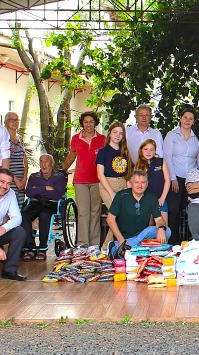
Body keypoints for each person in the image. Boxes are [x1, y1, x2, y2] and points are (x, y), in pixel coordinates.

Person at [63, 111, 105, 246]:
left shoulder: (102, 139)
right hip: (80, 180)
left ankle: (94, 245)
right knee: (83, 213)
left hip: (98, 180)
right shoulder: (76, 138)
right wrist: (61, 170)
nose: (88, 124)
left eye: (91, 122)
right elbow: (71, 156)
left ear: (95, 123)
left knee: (95, 212)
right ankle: (82, 244)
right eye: (86, 122)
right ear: (82, 123)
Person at [106, 169, 171, 258]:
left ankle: (127, 248)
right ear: (131, 183)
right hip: (125, 238)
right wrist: (122, 241)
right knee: (145, 234)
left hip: (143, 237)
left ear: (147, 183)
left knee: (167, 231)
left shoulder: (151, 197)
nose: (140, 185)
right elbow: (110, 219)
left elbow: (159, 219)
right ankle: (120, 246)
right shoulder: (121, 196)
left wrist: (161, 228)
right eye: (136, 182)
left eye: (143, 182)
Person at [164, 108, 199, 244]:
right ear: (180, 118)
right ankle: (173, 242)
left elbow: (198, 160)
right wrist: (173, 177)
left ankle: (191, 241)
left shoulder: (196, 139)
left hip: (191, 180)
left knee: (190, 210)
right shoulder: (172, 135)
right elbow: (167, 156)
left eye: (190, 118)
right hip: (175, 178)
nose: (187, 120)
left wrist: (198, 179)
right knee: (173, 211)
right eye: (185, 117)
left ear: (193, 122)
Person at [21, 154, 68, 261]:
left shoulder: (59, 176)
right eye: (41, 161)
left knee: (44, 215)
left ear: (52, 163)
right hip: (35, 203)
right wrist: (46, 188)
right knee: (24, 215)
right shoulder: (33, 176)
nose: (43, 164)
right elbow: (28, 192)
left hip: (51, 203)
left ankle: (42, 248)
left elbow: (57, 194)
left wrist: (37, 189)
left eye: (46, 161)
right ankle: (30, 248)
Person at [134, 139, 170, 229]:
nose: (148, 152)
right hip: (145, 200)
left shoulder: (161, 161)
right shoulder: (138, 165)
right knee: (148, 227)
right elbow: (135, 185)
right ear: (141, 150)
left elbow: (167, 180)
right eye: (146, 149)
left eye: (151, 149)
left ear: (155, 151)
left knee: (163, 226)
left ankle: (164, 243)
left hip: (160, 199)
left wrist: (162, 197)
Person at [96, 121, 132, 210]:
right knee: (116, 211)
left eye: (121, 133)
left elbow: (127, 175)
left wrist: (130, 192)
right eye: (115, 132)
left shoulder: (125, 152)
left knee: (126, 212)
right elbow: (100, 175)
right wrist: (111, 193)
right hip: (107, 184)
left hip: (123, 184)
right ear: (110, 134)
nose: (118, 135)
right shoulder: (103, 152)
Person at [4, 112, 28, 208]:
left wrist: (24, 179)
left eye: (16, 120)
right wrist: (16, 181)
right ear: (6, 122)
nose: (15, 122)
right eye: (11, 119)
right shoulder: (3, 139)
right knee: (9, 209)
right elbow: (3, 163)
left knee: (19, 209)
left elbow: (25, 159)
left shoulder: (20, 139)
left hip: (21, 182)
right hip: (9, 181)